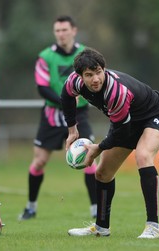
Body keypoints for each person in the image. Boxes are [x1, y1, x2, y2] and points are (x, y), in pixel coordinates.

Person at [61, 48, 159, 239]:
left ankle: (153, 227)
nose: (95, 79)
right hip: (127, 121)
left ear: (104, 68)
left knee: (143, 155)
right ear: (80, 76)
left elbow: (121, 132)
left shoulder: (116, 92)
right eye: (89, 75)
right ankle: (101, 228)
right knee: (103, 173)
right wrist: (72, 129)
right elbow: (66, 96)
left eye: (98, 72)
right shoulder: (74, 82)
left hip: (156, 114)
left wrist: (98, 148)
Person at [18, 16, 97, 220]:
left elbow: (97, 80)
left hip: (79, 114)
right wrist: (67, 101)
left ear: (74, 31)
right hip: (52, 115)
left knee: (90, 159)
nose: (61, 34)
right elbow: (42, 88)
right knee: (39, 161)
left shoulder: (86, 55)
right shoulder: (45, 56)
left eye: (64, 30)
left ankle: (96, 210)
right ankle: (30, 207)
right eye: (57, 31)